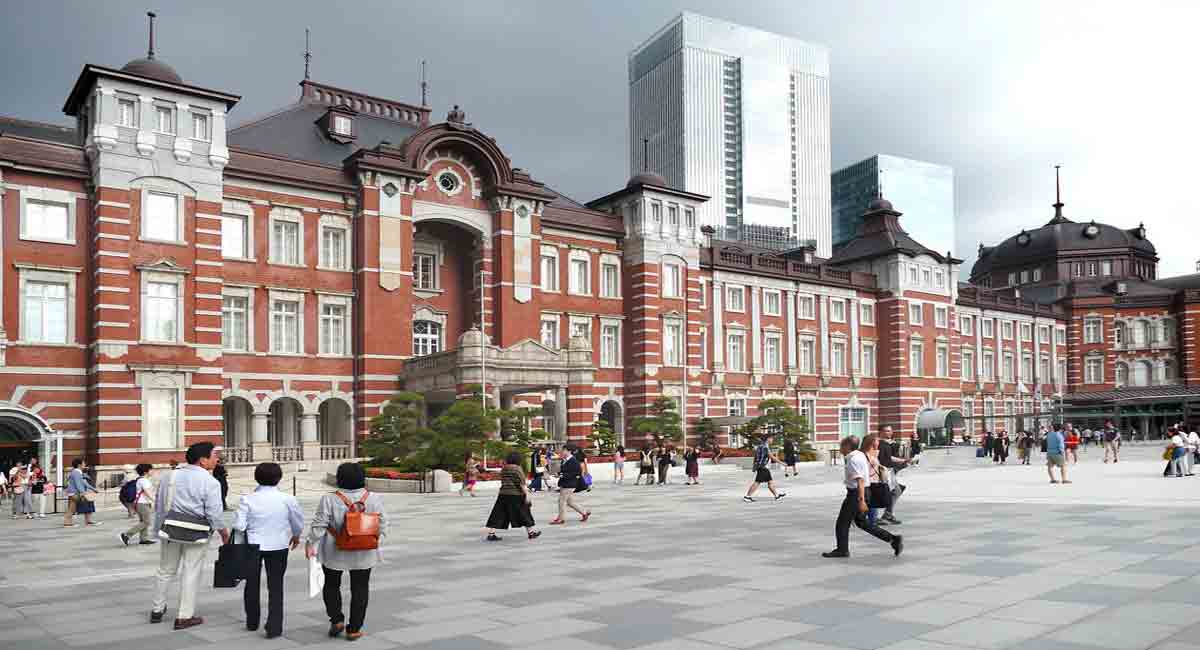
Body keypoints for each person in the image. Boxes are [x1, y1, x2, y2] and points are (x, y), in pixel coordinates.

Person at [150, 442, 230, 630]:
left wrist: (158, 529)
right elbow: (213, 512)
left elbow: (160, 505)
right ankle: (184, 616)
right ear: (203, 461)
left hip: (170, 528)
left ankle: (157, 609)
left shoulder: (169, 476)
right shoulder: (210, 482)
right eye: (213, 455)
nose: (216, 459)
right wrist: (223, 531)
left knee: (165, 570)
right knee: (191, 571)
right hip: (197, 531)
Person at [308, 462, 388, 641]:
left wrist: (310, 543)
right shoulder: (373, 498)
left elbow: (319, 525)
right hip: (364, 550)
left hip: (334, 549)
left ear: (339, 478)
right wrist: (374, 539)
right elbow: (383, 523)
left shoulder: (329, 499)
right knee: (360, 587)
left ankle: (336, 619)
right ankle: (354, 629)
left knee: (331, 585)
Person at [234, 462, 304, 639]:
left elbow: (239, 525)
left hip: (253, 545)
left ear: (256, 477)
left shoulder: (247, 499)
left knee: (251, 584)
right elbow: (297, 522)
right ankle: (274, 627)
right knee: (276, 586)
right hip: (279, 545)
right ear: (279, 478)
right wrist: (296, 536)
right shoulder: (288, 499)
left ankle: (252, 621)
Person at [823, 435, 902, 559]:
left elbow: (860, 480)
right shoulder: (858, 455)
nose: (840, 449)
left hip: (856, 494)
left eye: (841, 446)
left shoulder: (854, 459)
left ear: (847, 446)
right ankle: (893, 539)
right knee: (862, 523)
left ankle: (842, 550)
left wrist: (861, 500)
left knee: (842, 523)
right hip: (862, 492)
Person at [485, 452, 541, 541]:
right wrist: (527, 495)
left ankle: (491, 534)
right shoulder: (517, 469)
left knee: (498, 513)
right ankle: (531, 533)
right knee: (524, 513)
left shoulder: (504, 469)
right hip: (516, 494)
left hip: (503, 494)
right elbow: (521, 484)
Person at [549, 445, 589, 525]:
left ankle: (561, 519)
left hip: (570, 484)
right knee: (570, 502)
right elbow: (566, 471)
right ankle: (584, 513)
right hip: (565, 483)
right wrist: (559, 474)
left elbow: (576, 473)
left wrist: (561, 475)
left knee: (561, 500)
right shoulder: (565, 460)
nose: (562, 452)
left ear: (569, 451)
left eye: (564, 450)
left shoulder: (573, 460)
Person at [875, 426, 907, 525]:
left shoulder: (888, 443)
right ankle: (874, 516)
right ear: (881, 432)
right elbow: (883, 460)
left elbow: (889, 457)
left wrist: (903, 461)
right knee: (879, 493)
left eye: (890, 431)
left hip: (889, 471)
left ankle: (888, 514)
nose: (889, 433)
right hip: (882, 471)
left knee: (897, 490)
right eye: (887, 431)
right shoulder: (878, 443)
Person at [120, 463, 157, 546]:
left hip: (139, 503)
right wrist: (154, 500)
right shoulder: (144, 480)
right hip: (142, 503)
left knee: (143, 521)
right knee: (147, 522)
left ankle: (144, 539)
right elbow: (147, 492)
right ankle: (127, 534)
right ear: (145, 472)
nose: (153, 471)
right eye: (151, 469)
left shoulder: (140, 479)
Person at [743, 436, 786, 503]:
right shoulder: (765, 447)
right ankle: (747, 496)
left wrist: (754, 466)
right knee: (757, 482)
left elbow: (756, 457)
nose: (772, 440)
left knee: (770, 482)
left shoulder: (760, 446)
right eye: (771, 439)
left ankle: (777, 496)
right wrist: (782, 463)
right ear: (768, 439)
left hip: (762, 467)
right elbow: (772, 457)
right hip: (763, 467)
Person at [64, 458, 99, 527]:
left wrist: (93, 489)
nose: (85, 464)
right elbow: (78, 484)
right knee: (72, 508)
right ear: (79, 465)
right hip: (75, 493)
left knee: (72, 508)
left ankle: (69, 522)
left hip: (74, 492)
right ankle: (68, 523)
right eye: (83, 463)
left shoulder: (78, 472)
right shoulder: (76, 472)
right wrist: (83, 492)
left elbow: (84, 482)